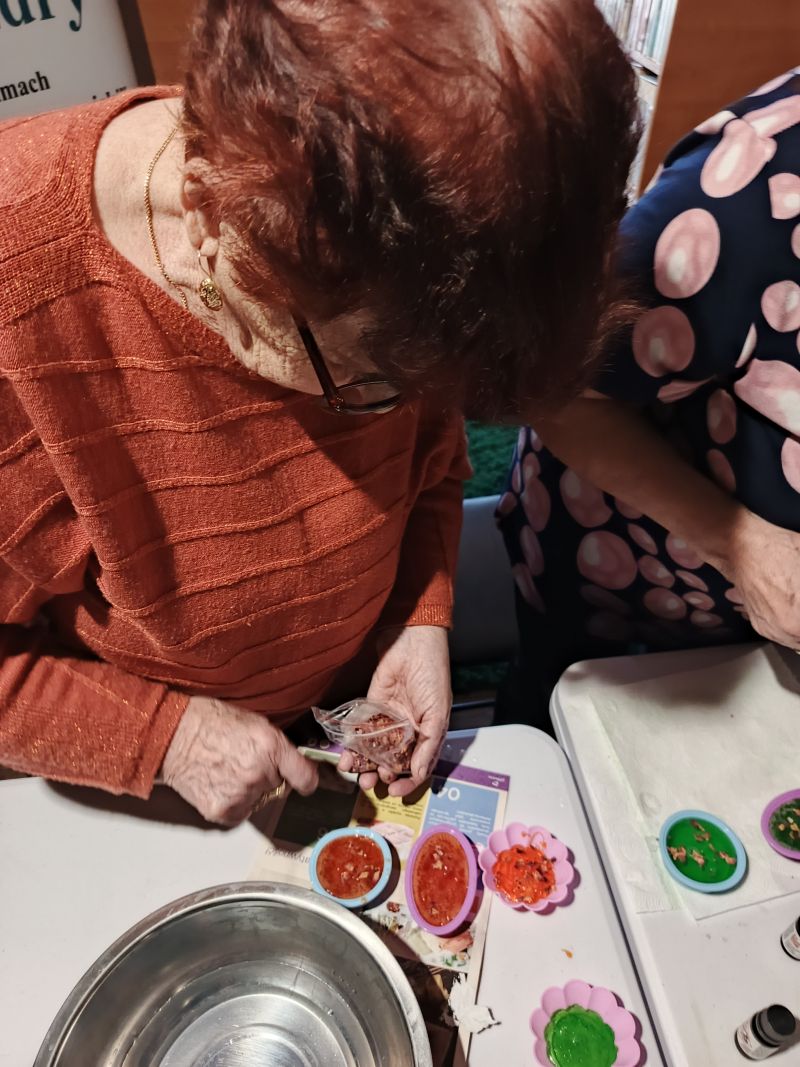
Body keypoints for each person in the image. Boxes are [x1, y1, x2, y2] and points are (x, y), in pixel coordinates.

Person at [0, 0, 638, 821]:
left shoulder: (393, 250)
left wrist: (417, 618)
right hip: (154, 789)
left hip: (325, 720)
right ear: (208, 214)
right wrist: (165, 739)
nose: (402, 411)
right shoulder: (23, 290)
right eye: (372, 384)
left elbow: (432, 463)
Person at [500, 68, 800, 723]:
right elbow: (552, 392)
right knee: (561, 722)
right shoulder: (746, 196)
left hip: (761, 641)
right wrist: (740, 544)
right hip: (625, 578)